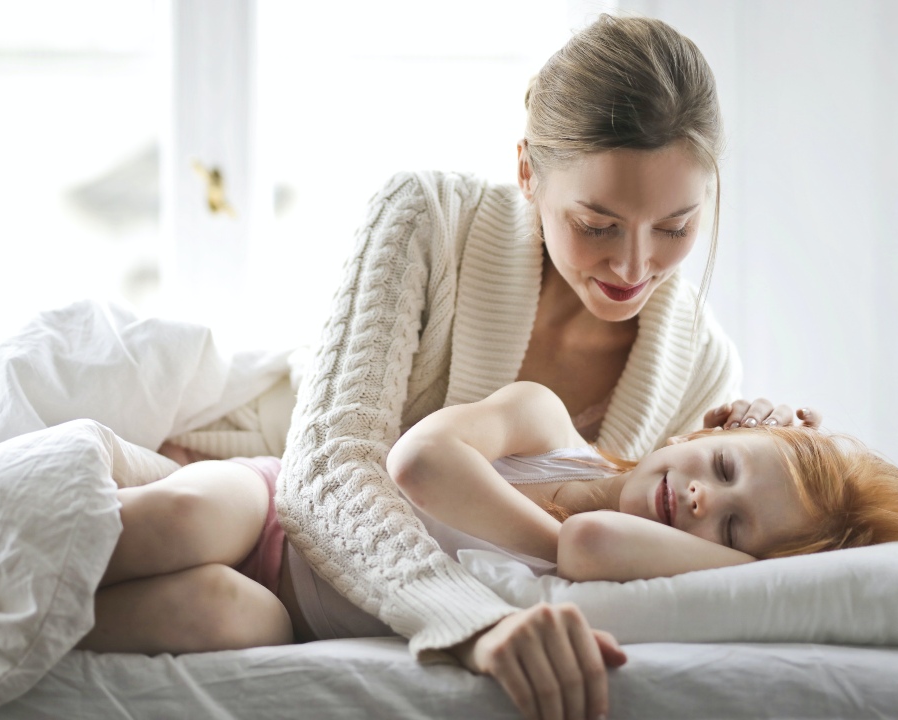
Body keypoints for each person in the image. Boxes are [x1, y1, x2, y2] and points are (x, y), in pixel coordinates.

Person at [266, 12, 819, 720]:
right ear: (528, 170)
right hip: (262, 471)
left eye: (675, 228)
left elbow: (653, 555)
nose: (633, 266)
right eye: (597, 225)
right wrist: (470, 618)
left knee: (212, 614)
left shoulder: (703, 369)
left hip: (313, 595)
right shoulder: (428, 218)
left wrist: (760, 452)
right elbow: (326, 470)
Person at [83, 381, 898, 718]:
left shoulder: (632, 563)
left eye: (730, 528)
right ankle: (20, 549)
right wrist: (740, 533)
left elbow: (593, 541)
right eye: (723, 464)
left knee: (203, 610)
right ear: (709, 425)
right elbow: (420, 462)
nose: (702, 497)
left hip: (288, 613)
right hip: (291, 512)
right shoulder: (546, 422)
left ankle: (11, 621)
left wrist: (763, 570)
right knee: (188, 522)